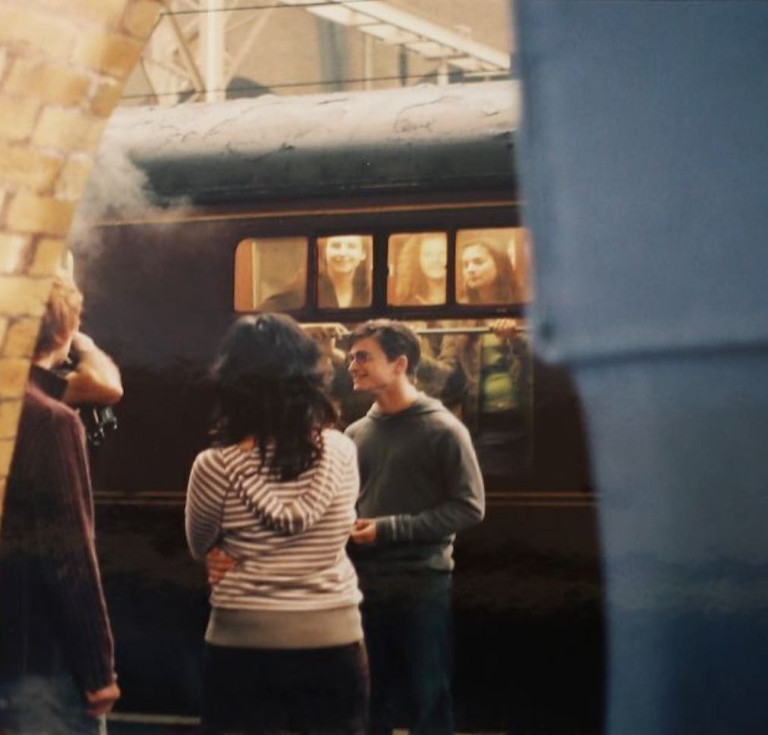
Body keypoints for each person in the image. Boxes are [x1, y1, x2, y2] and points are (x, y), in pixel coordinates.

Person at [185, 313, 368, 734]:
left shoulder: (214, 466)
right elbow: (343, 529)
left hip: (241, 640)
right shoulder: (342, 451)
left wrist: (221, 553)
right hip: (333, 636)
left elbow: (201, 546)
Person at [345, 319, 485, 735]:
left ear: (400, 363)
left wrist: (387, 529)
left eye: (363, 357)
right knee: (371, 701)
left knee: (429, 699)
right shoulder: (354, 434)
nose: (352, 366)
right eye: (352, 357)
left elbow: (469, 508)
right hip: (364, 581)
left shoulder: (443, 430)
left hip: (422, 582)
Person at [0, 276, 120, 735]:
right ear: (63, 331)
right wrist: (98, 669)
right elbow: (68, 553)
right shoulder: (48, 420)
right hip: (31, 661)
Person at [259, 234, 371, 312]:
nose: (343, 253)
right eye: (336, 246)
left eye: (351, 247)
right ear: (324, 253)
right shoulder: (303, 289)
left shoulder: (367, 292)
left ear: (362, 254)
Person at [458, 236, 524, 304]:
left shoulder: (522, 300)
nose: (470, 270)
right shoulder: (462, 304)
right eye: (466, 265)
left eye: (478, 262)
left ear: (499, 264)